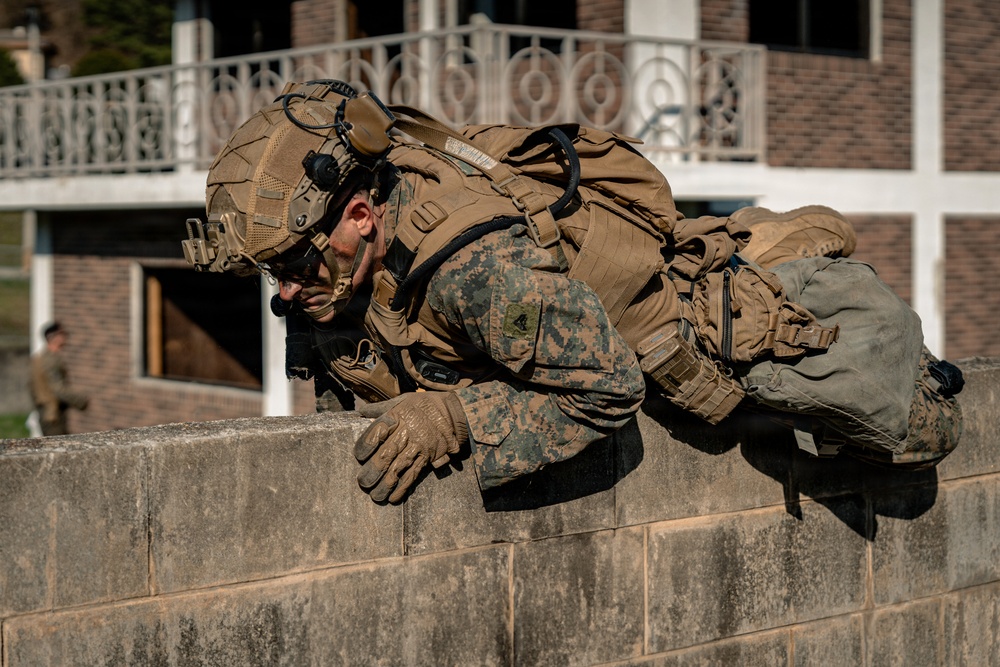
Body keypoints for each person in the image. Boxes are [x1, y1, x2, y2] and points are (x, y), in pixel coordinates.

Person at [183, 80, 963, 504]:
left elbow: (607, 388)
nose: (283, 293)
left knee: (923, 428)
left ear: (358, 213)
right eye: (269, 273)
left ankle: (777, 244)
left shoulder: (477, 274)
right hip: (551, 298)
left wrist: (456, 416)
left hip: (693, 329)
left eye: (293, 266)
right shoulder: (342, 265)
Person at [29, 322, 89, 436]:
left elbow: (31, 387)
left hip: (46, 413)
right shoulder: (51, 360)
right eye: (63, 333)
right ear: (54, 337)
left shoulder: (39, 358)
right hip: (53, 415)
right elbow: (58, 389)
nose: (65, 337)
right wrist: (81, 401)